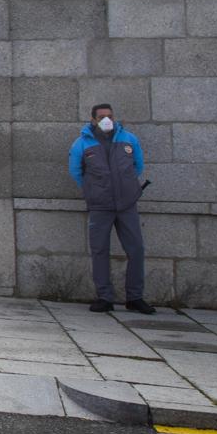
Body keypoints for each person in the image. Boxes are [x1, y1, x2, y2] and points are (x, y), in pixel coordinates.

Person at [68, 103, 155, 314]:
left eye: (109, 116)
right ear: (93, 120)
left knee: (136, 250)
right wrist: (93, 190)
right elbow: (76, 172)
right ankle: (104, 297)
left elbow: (138, 165)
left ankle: (135, 297)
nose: (106, 120)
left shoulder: (129, 139)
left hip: (126, 204)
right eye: (101, 116)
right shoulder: (82, 144)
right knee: (99, 251)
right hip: (100, 206)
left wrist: (126, 188)